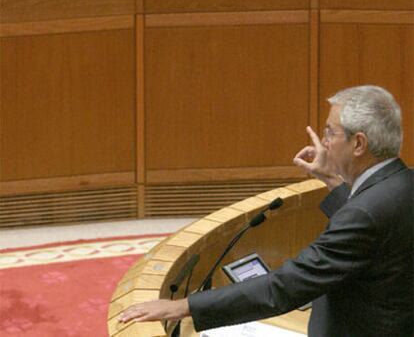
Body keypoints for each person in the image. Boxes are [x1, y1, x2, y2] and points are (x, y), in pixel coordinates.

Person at [119, 85, 413, 337]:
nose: (324, 142)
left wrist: (184, 306)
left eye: (330, 132)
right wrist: (332, 179)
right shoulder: (404, 183)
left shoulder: (363, 214)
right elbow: (377, 230)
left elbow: (286, 286)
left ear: (358, 143)